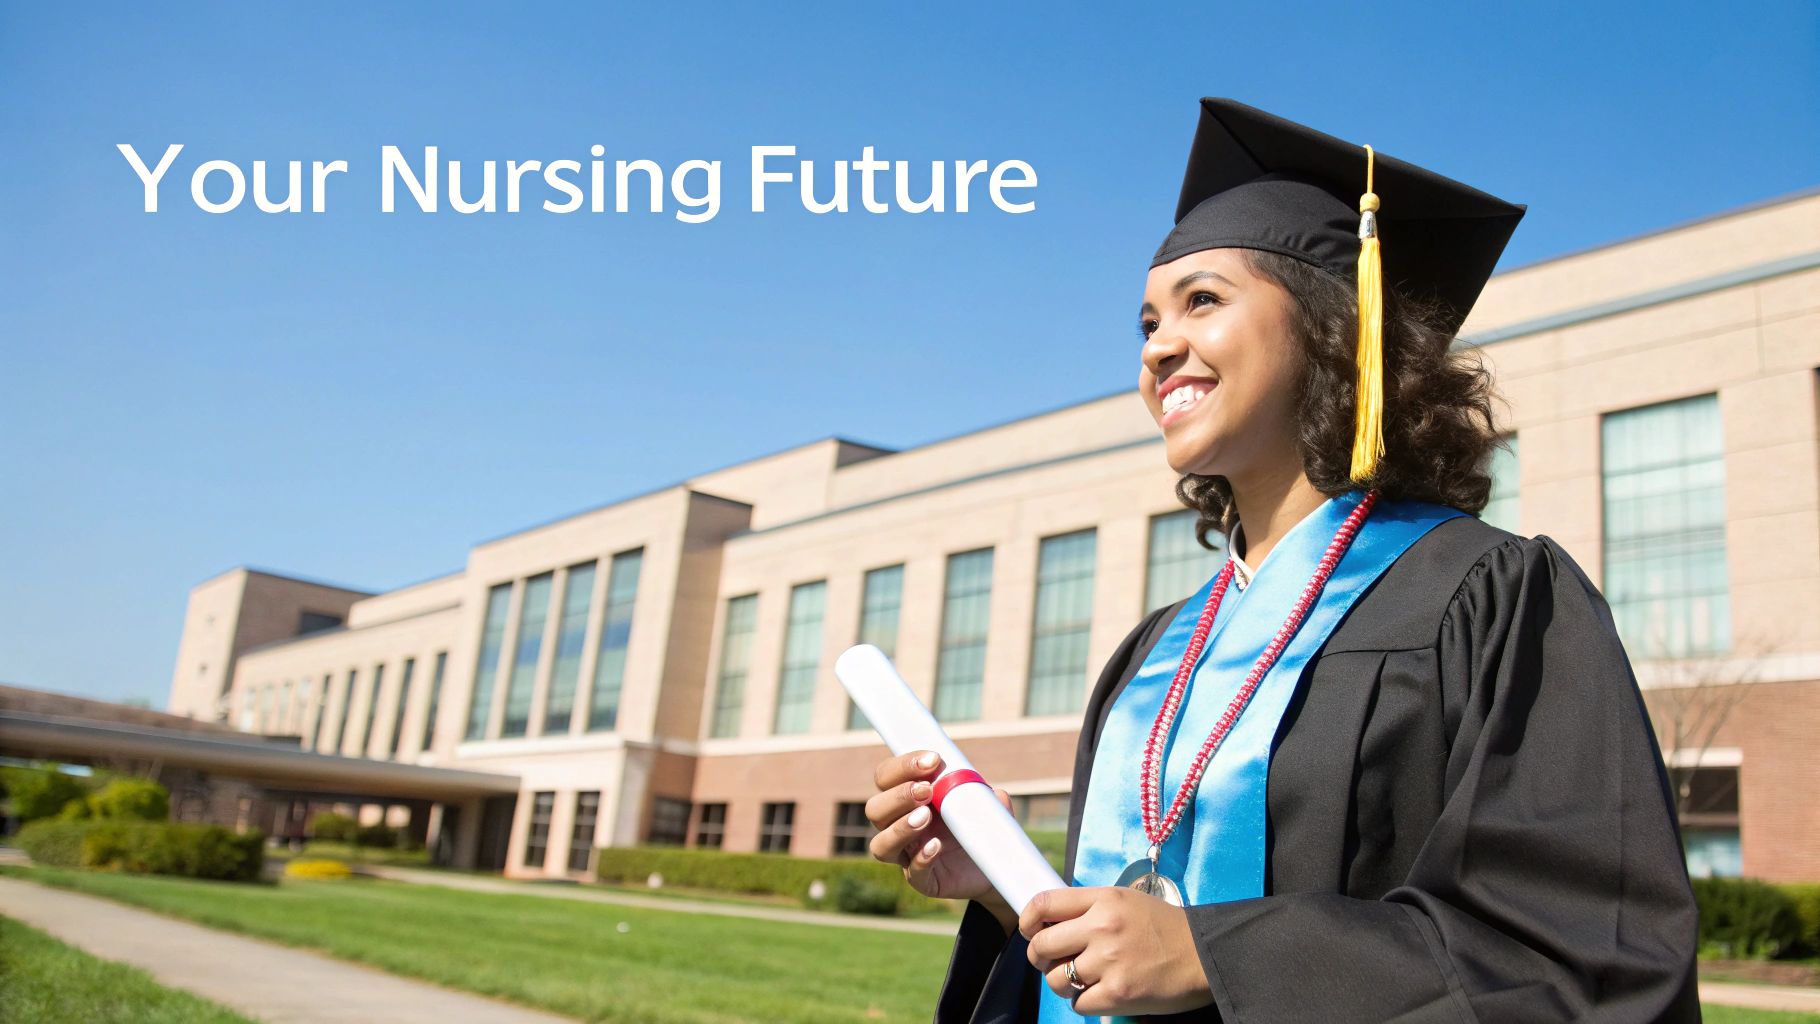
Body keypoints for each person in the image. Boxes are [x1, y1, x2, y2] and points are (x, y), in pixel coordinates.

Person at [864, 98, 1700, 1022]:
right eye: (1145, 323)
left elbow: (1585, 959)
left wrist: (1219, 959)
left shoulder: (1492, 600)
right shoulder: (1156, 654)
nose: (1158, 348)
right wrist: (1008, 888)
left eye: (1203, 301)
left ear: (1332, 325)